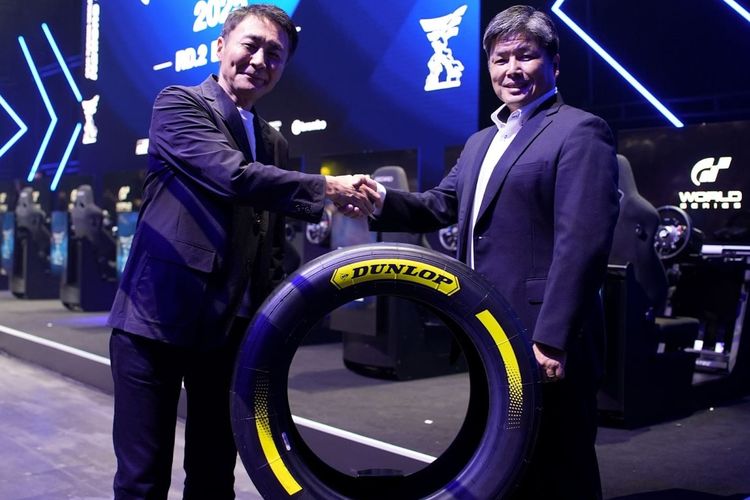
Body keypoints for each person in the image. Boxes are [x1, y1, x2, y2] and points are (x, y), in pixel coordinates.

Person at [106, 5, 376, 498]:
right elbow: (231, 177)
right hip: (155, 323)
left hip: (228, 332)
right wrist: (328, 188)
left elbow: (269, 241)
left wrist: (265, 320)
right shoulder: (179, 104)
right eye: (251, 45)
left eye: (274, 54)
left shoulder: (274, 141)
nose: (259, 60)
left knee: (214, 477)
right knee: (142, 480)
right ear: (220, 46)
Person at [361, 5, 619, 499]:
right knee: (506, 464)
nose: (512, 69)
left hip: (544, 336)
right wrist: (380, 201)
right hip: (488, 331)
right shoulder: (482, 141)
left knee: (561, 465)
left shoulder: (580, 130)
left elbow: (582, 242)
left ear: (554, 63)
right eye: (501, 59)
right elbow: (440, 204)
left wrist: (553, 338)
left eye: (526, 56)